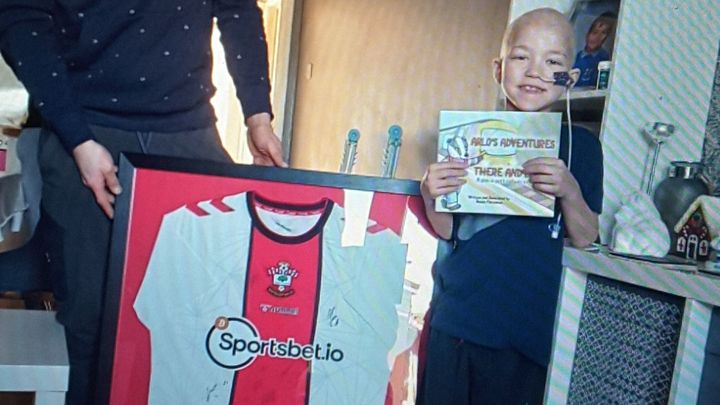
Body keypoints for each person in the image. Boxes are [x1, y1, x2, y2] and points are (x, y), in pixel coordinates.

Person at [0, 1, 286, 404]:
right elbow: (21, 18)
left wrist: (258, 117)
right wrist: (77, 138)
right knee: (91, 320)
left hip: (188, 130)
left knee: (208, 312)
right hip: (86, 127)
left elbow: (237, 9)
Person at [417, 8, 603, 404]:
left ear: (570, 78)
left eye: (552, 62)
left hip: (528, 333)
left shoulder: (582, 147)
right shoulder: (467, 137)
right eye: (521, 57)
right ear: (499, 69)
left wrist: (569, 190)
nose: (535, 71)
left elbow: (587, 236)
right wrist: (430, 194)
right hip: (458, 321)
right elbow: (449, 229)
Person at [573, 11, 617, 87]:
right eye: (594, 32)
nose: (597, 37)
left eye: (603, 33)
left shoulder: (604, 59)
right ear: (587, 34)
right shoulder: (576, 57)